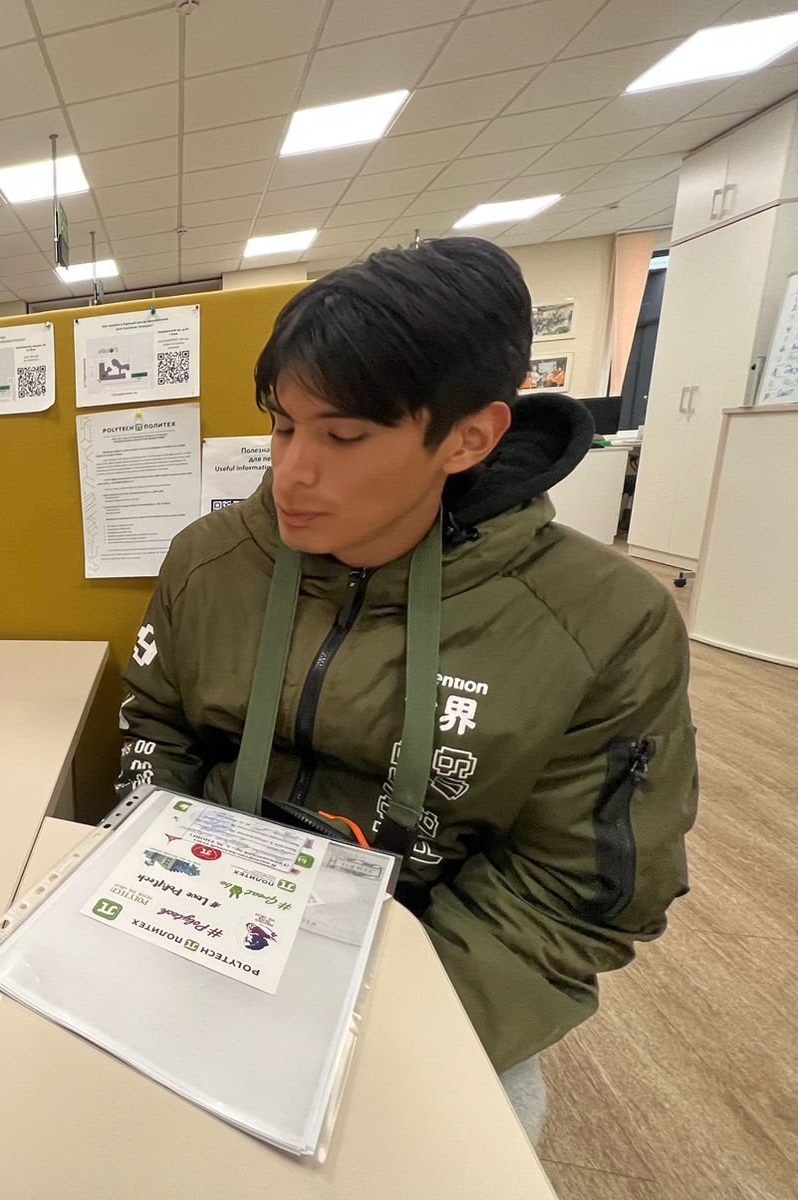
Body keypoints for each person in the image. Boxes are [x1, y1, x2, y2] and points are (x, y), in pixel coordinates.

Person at [116, 238, 696, 1129]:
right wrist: (154, 893)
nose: (293, 471)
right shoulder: (212, 558)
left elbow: (578, 890)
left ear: (470, 437)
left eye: (343, 436)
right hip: (203, 923)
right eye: (282, 424)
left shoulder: (606, 622)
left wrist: (369, 1015)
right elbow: (156, 729)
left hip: (426, 968)